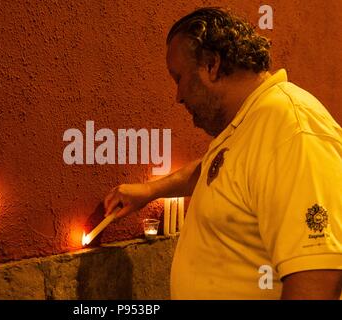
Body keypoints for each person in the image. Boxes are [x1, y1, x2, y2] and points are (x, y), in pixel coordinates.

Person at [103, 7, 342, 299]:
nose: (178, 96)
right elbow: (214, 169)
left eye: (179, 78)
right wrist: (149, 191)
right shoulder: (248, 122)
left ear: (212, 65)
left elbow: (317, 278)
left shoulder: (292, 128)